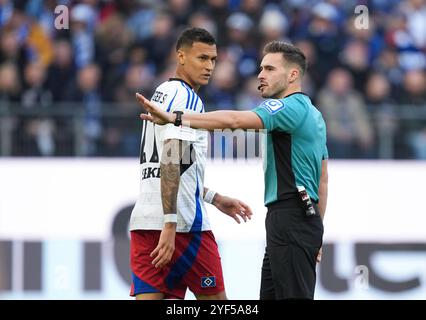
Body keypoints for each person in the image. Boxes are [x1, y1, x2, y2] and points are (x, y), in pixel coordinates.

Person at [137, 41, 329, 300]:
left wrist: (176, 117)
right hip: (297, 219)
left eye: (270, 69)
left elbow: (235, 121)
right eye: (261, 68)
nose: (261, 75)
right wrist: (317, 227)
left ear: (293, 75)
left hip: (291, 218)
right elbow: (323, 179)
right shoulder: (314, 114)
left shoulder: (289, 107)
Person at [129, 27, 253, 300]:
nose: (209, 66)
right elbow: (173, 157)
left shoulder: (162, 92)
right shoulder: (187, 98)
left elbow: (171, 166)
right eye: (202, 58)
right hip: (183, 226)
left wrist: (213, 196)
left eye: (213, 60)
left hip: (144, 223)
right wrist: (171, 225)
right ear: (181, 56)